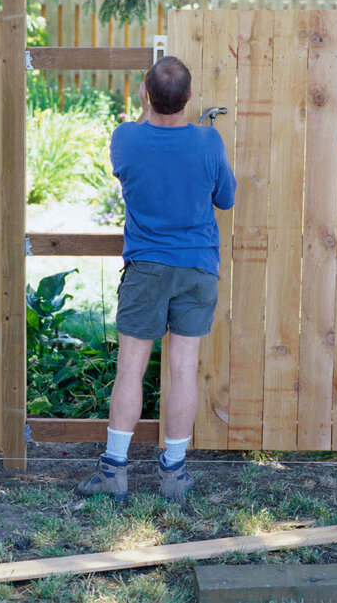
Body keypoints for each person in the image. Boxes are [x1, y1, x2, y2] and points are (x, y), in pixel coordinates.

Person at [76, 56, 235, 501]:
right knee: (183, 371)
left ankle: (114, 471)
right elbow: (226, 198)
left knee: (130, 368)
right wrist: (201, 135)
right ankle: (174, 474)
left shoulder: (125, 138)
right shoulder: (209, 142)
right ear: (188, 98)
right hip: (197, 269)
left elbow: (146, 143)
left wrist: (155, 111)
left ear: (145, 94)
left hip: (145, 268)